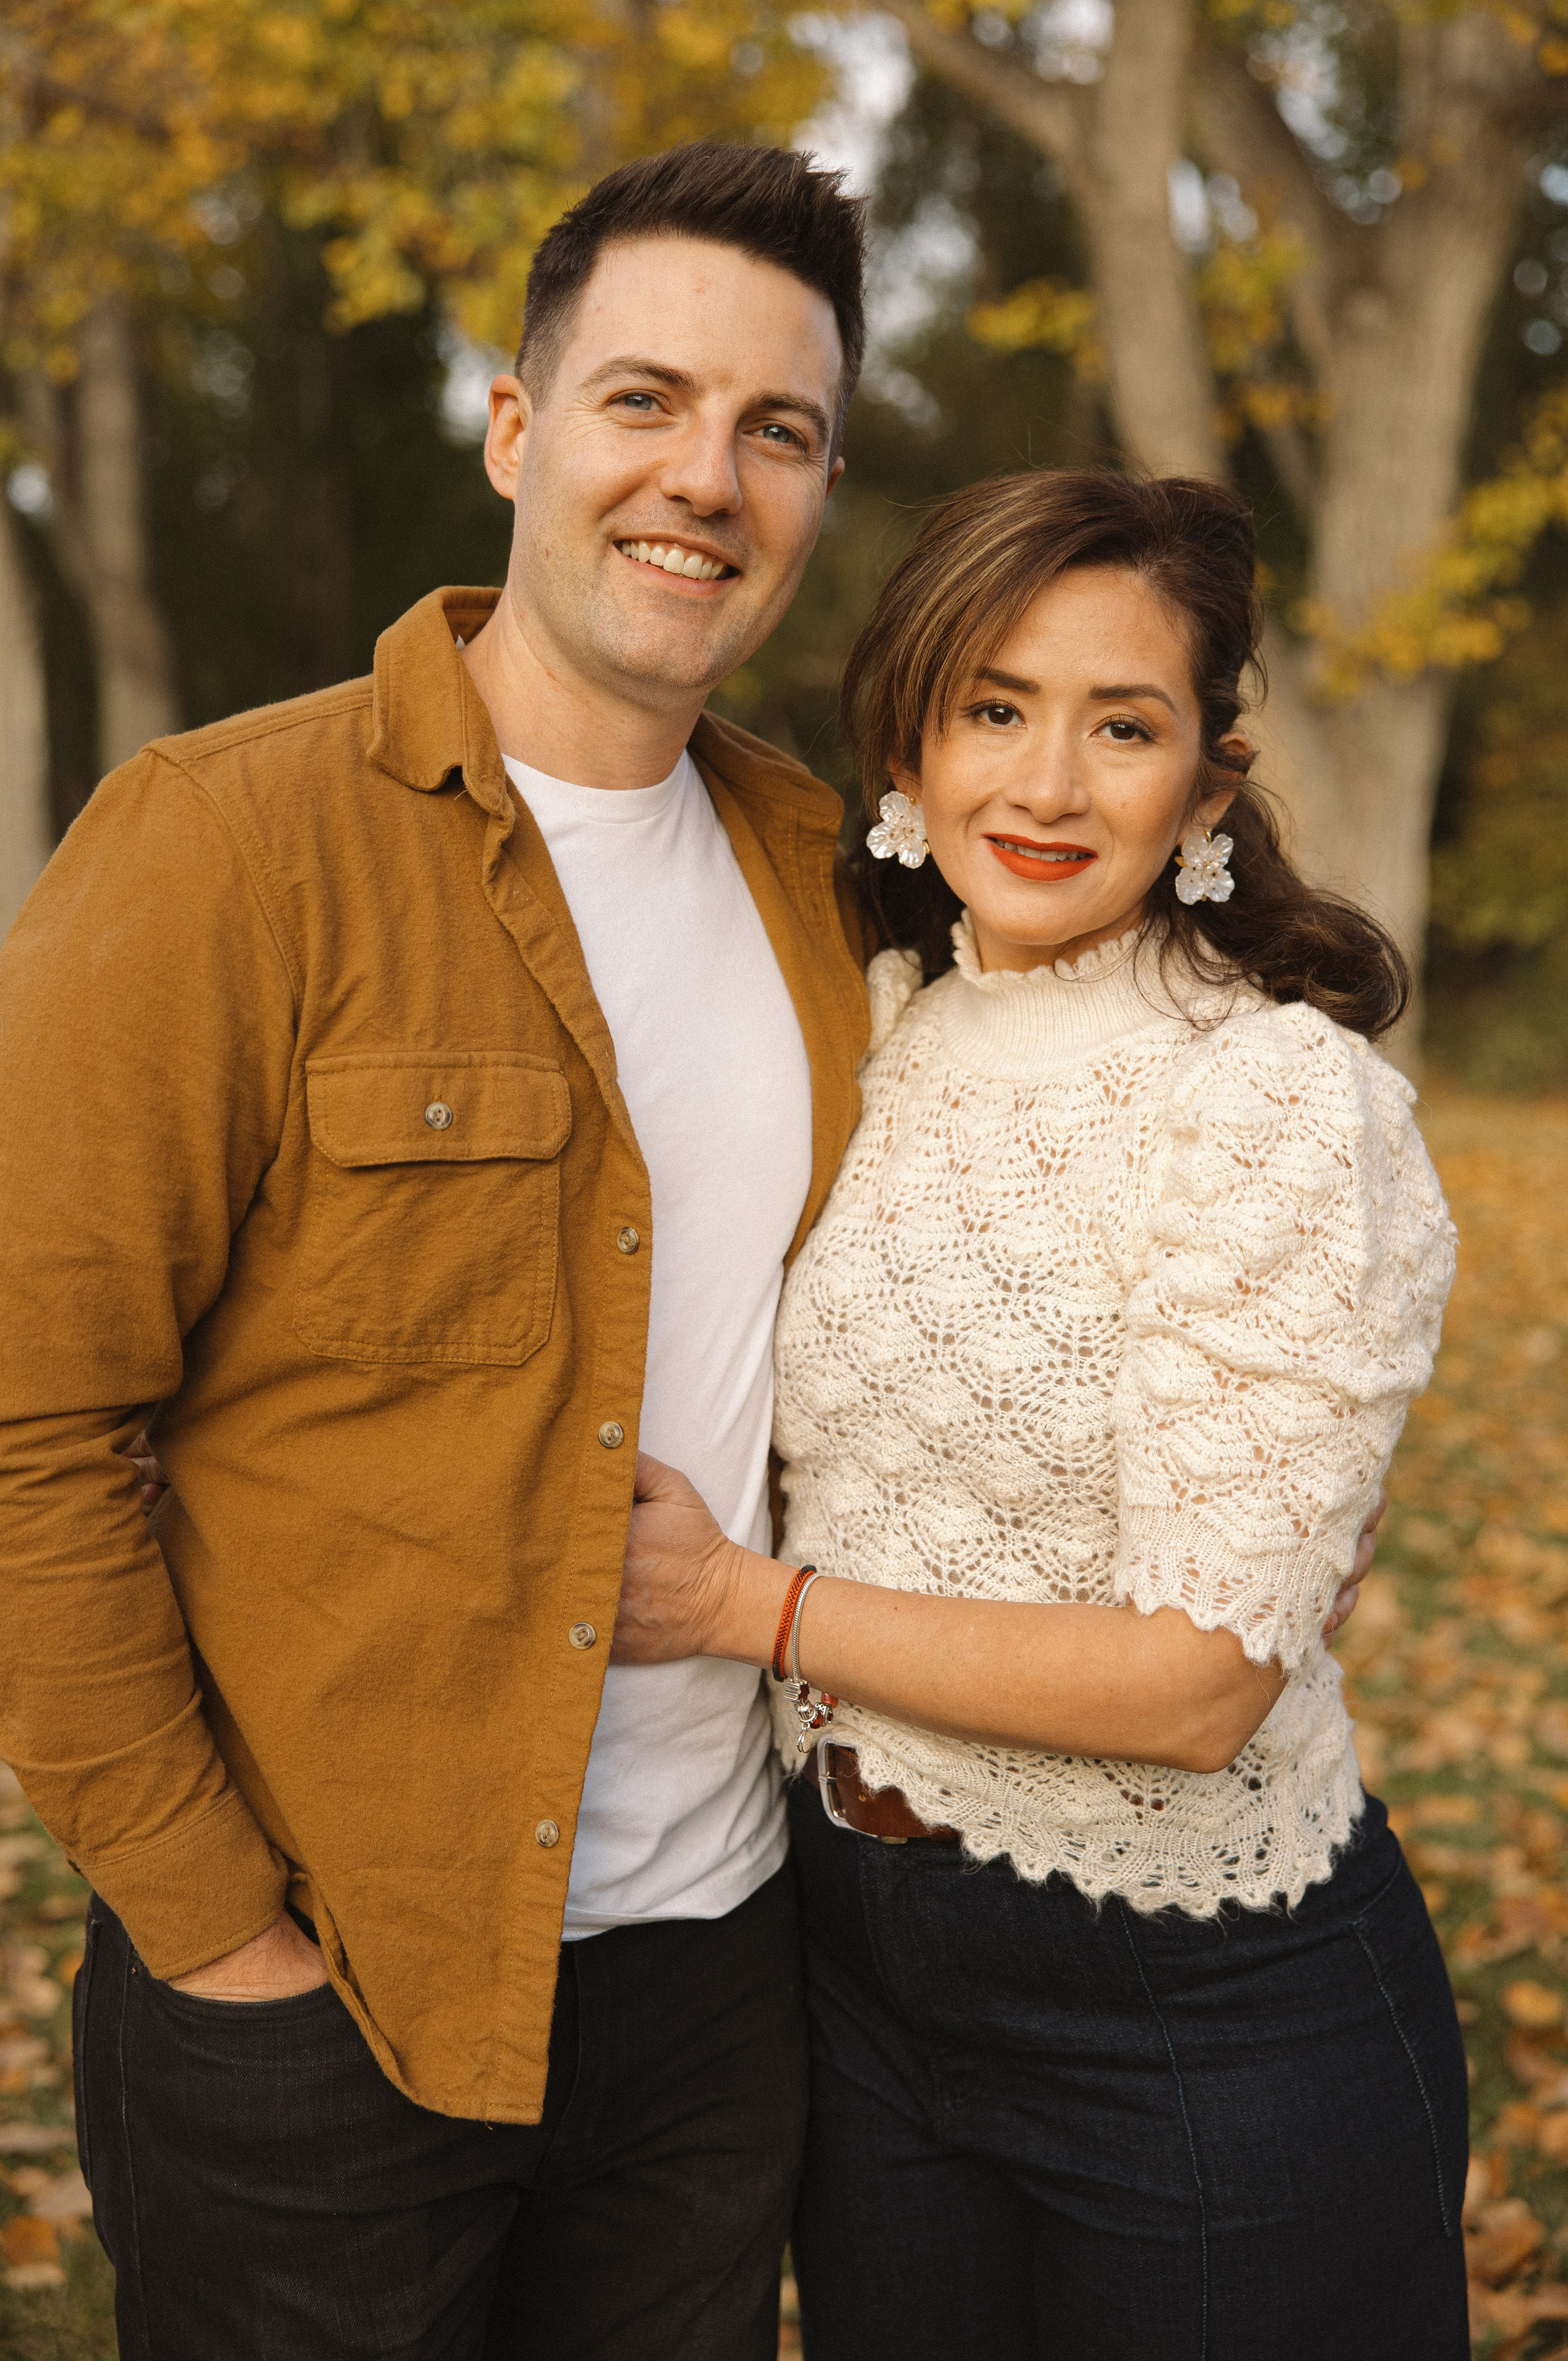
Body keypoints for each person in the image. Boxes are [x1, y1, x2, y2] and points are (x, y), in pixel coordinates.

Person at [0, 141, 873, 2361]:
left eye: (779, 431)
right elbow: (28, 1429)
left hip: (719, 1981)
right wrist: (216, 1946)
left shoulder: (830, 874)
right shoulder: (224, 847)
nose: (707, 478)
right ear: (514, 429)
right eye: (643, 401)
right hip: (327, 1996)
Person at [615, 469, 1468, 2361]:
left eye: (1126, 726)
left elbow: (1196, 1686)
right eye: (997, 708)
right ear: (912, 740)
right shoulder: (879, 1027)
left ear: (1212, 786)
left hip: (1192, 2021)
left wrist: (748, 1611)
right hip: (856, 1980)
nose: (1050, 785)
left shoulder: (1270, 1101)